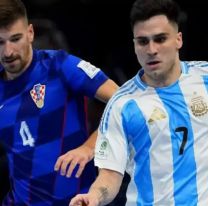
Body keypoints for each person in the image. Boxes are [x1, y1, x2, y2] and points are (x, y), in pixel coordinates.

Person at [69, 0, 208, 205]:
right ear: (134, 45)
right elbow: (110, 174)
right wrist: (94, 197)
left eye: (160, 39)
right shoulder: (122, 104)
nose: (151, 49)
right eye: (143, 41)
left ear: (178, 40)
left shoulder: (204, 76)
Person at [0, 0, 119, 205]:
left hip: (77, 201)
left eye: (15, 39)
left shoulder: (60, 65)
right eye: (0, 42)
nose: (8, 52)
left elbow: (124, 102)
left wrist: (88, 148)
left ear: (30, 33)